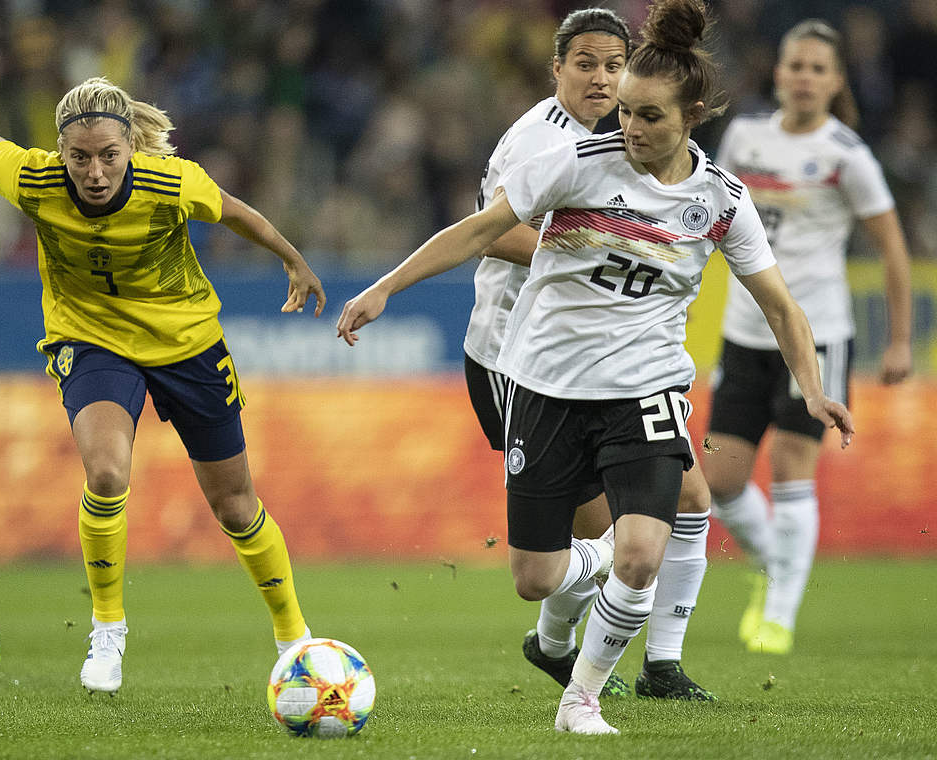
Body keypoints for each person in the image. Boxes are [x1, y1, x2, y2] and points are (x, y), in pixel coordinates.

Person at [336, 0, 853, 734]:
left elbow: (780, 305)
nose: (629, 128)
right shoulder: (572, 164)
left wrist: (814, 390)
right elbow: (481, 229)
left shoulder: (720, 200)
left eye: (648, 116)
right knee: (535, 577)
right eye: (628, 112)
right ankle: (574, 609)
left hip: (645, 390)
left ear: (692, 115)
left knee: (647, 550)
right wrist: (385, 286)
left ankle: (582, 695)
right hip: (545, 386)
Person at [0, 76, 326, 695]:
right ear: (60, 151)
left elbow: (235, 212)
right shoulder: (33, 179)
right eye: (79, 157)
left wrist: (292, 258)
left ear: (131, 149)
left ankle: (293, 639)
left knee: (235, 504)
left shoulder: (172, 183)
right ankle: (107, 629)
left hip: (186, 343)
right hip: (92, 340)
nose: (94, 172)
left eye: (108, 156)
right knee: (105, 474)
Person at [464, 7, 716, 702]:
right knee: (606, 536)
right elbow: (491, 233)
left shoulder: (619, 136)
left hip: (601, 363)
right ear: (557, 70)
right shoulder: (541, 140)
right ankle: (557, 641)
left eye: (613, 65)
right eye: (586, 65)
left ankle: (655, 662)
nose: (601, 79)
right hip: (520, 359)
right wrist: (612, 248)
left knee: (688, 498)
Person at [704, 19, 912, 656]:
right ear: (778, 72)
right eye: (795, 65)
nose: (804, 78)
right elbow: (703, 211)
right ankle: (774, 567)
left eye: (818, 69)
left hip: (817, 335)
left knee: (793, 469)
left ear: (836, 81)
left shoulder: (848, 155)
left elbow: (893, 250)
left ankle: (781, 614)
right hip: (743, 330)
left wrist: (899, 341)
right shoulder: (742, 136)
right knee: (721, 481)